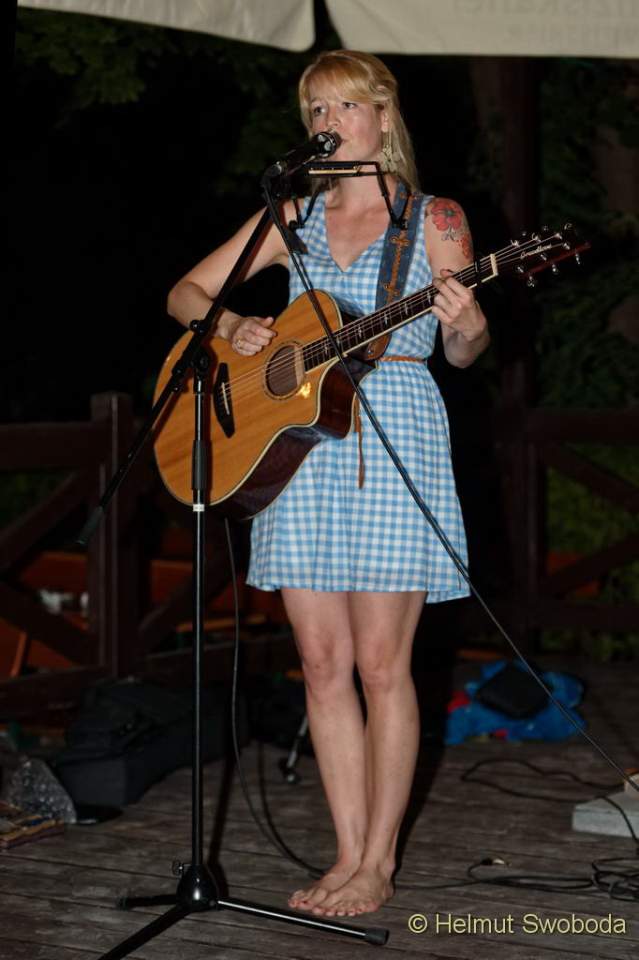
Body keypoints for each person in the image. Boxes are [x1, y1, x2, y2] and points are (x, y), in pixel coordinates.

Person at [167, 49, 490, 918]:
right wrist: (232, 327)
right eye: (316, 107)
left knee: (382, 665)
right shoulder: (291, 215)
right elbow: (185, 293)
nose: (328, 120)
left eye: (345, 105)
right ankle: (345, 854)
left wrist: (466, 325)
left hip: (394, 433)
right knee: (320, 663)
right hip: (296, 448)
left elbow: (464, 351)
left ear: (382, 117)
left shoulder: (433, 217)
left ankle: (378, 863)